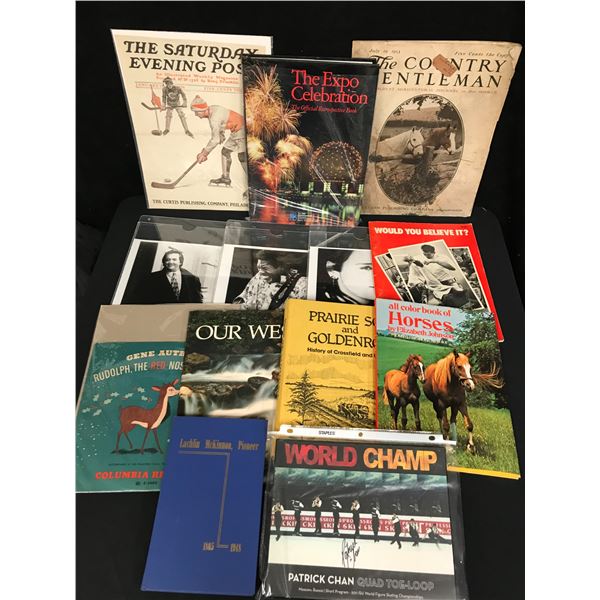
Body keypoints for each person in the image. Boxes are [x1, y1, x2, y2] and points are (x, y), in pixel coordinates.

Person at [190, 95, 247, 194]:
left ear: (202, 110)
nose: (195, 115)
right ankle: (225, 178)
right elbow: (223, 120)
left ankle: (252, 186)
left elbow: (215, 139)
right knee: (225, 151)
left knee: (242, 157)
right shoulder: (212, 109)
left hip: (242, 129)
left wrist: (204, 153)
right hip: (236, 130)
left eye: (196, 112)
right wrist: (221, 133)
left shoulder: (214, 119)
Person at [398, 244, 468, 307]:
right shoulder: (422, 259)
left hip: (450, 283)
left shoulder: (442, 257)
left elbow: (452, 268)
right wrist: (411, 261)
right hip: (436, 286)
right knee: (447, 302)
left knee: (461, 300)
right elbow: (418, 269)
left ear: (433, 252)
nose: (425, 256)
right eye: (424, 254)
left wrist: (435, 261)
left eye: (427, 254)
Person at [234, 250, 307, 309]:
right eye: (258, 268)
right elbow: (242, 298)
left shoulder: (301, 284)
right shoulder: (258, 277)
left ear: (280, 267)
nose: (260, 272)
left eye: (265, 268)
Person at [126, 248, 203, 304]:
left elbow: (197, 301)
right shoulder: (151, 279)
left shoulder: (193, 279)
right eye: (167, 260)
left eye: (174, 259)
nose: (170, 262)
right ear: (164, 262)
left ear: (180, 262)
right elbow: (142, 300)